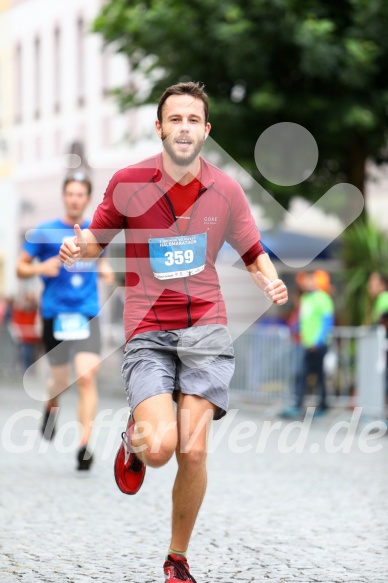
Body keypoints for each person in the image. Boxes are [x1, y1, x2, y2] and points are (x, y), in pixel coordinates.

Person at [59, 82, 288, 582]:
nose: (183, 127)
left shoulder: (225, 189)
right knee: (159, 449)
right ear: (159, 127)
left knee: (195, 448)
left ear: (206, 130)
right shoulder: (127, 183)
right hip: (149, 330)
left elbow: (252, 252)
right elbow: (96, 240)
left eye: (193, 120)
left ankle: (176, 559)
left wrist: (271, 282)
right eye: (174, 119)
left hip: (206, 328)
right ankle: (133, 441)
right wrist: (79, 250)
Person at [16, 172, 114, 470]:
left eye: (80, 194)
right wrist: (39, 268)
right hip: (54, 315)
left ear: (86, 198)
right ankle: (51, 404)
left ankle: (84, 446)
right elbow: (21, 268)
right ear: (64, 196)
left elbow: (102, 260)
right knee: (60, 381)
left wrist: (107, 272)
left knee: (85, 376)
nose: (74, 199)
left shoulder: (95, 232)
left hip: (87, 313)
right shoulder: (45, 231)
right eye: (70, 193)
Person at [281, 270, 334, 419]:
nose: (308, 283)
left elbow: (327, 322)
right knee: (302, 374)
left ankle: (323, 405)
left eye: (311, 280)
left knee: (319, 376)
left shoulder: (323, 298)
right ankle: (298, 404)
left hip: (319, 345)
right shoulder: (306, 298)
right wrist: (295, 329)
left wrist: (318, 341)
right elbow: (303, 320)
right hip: (306, 344)